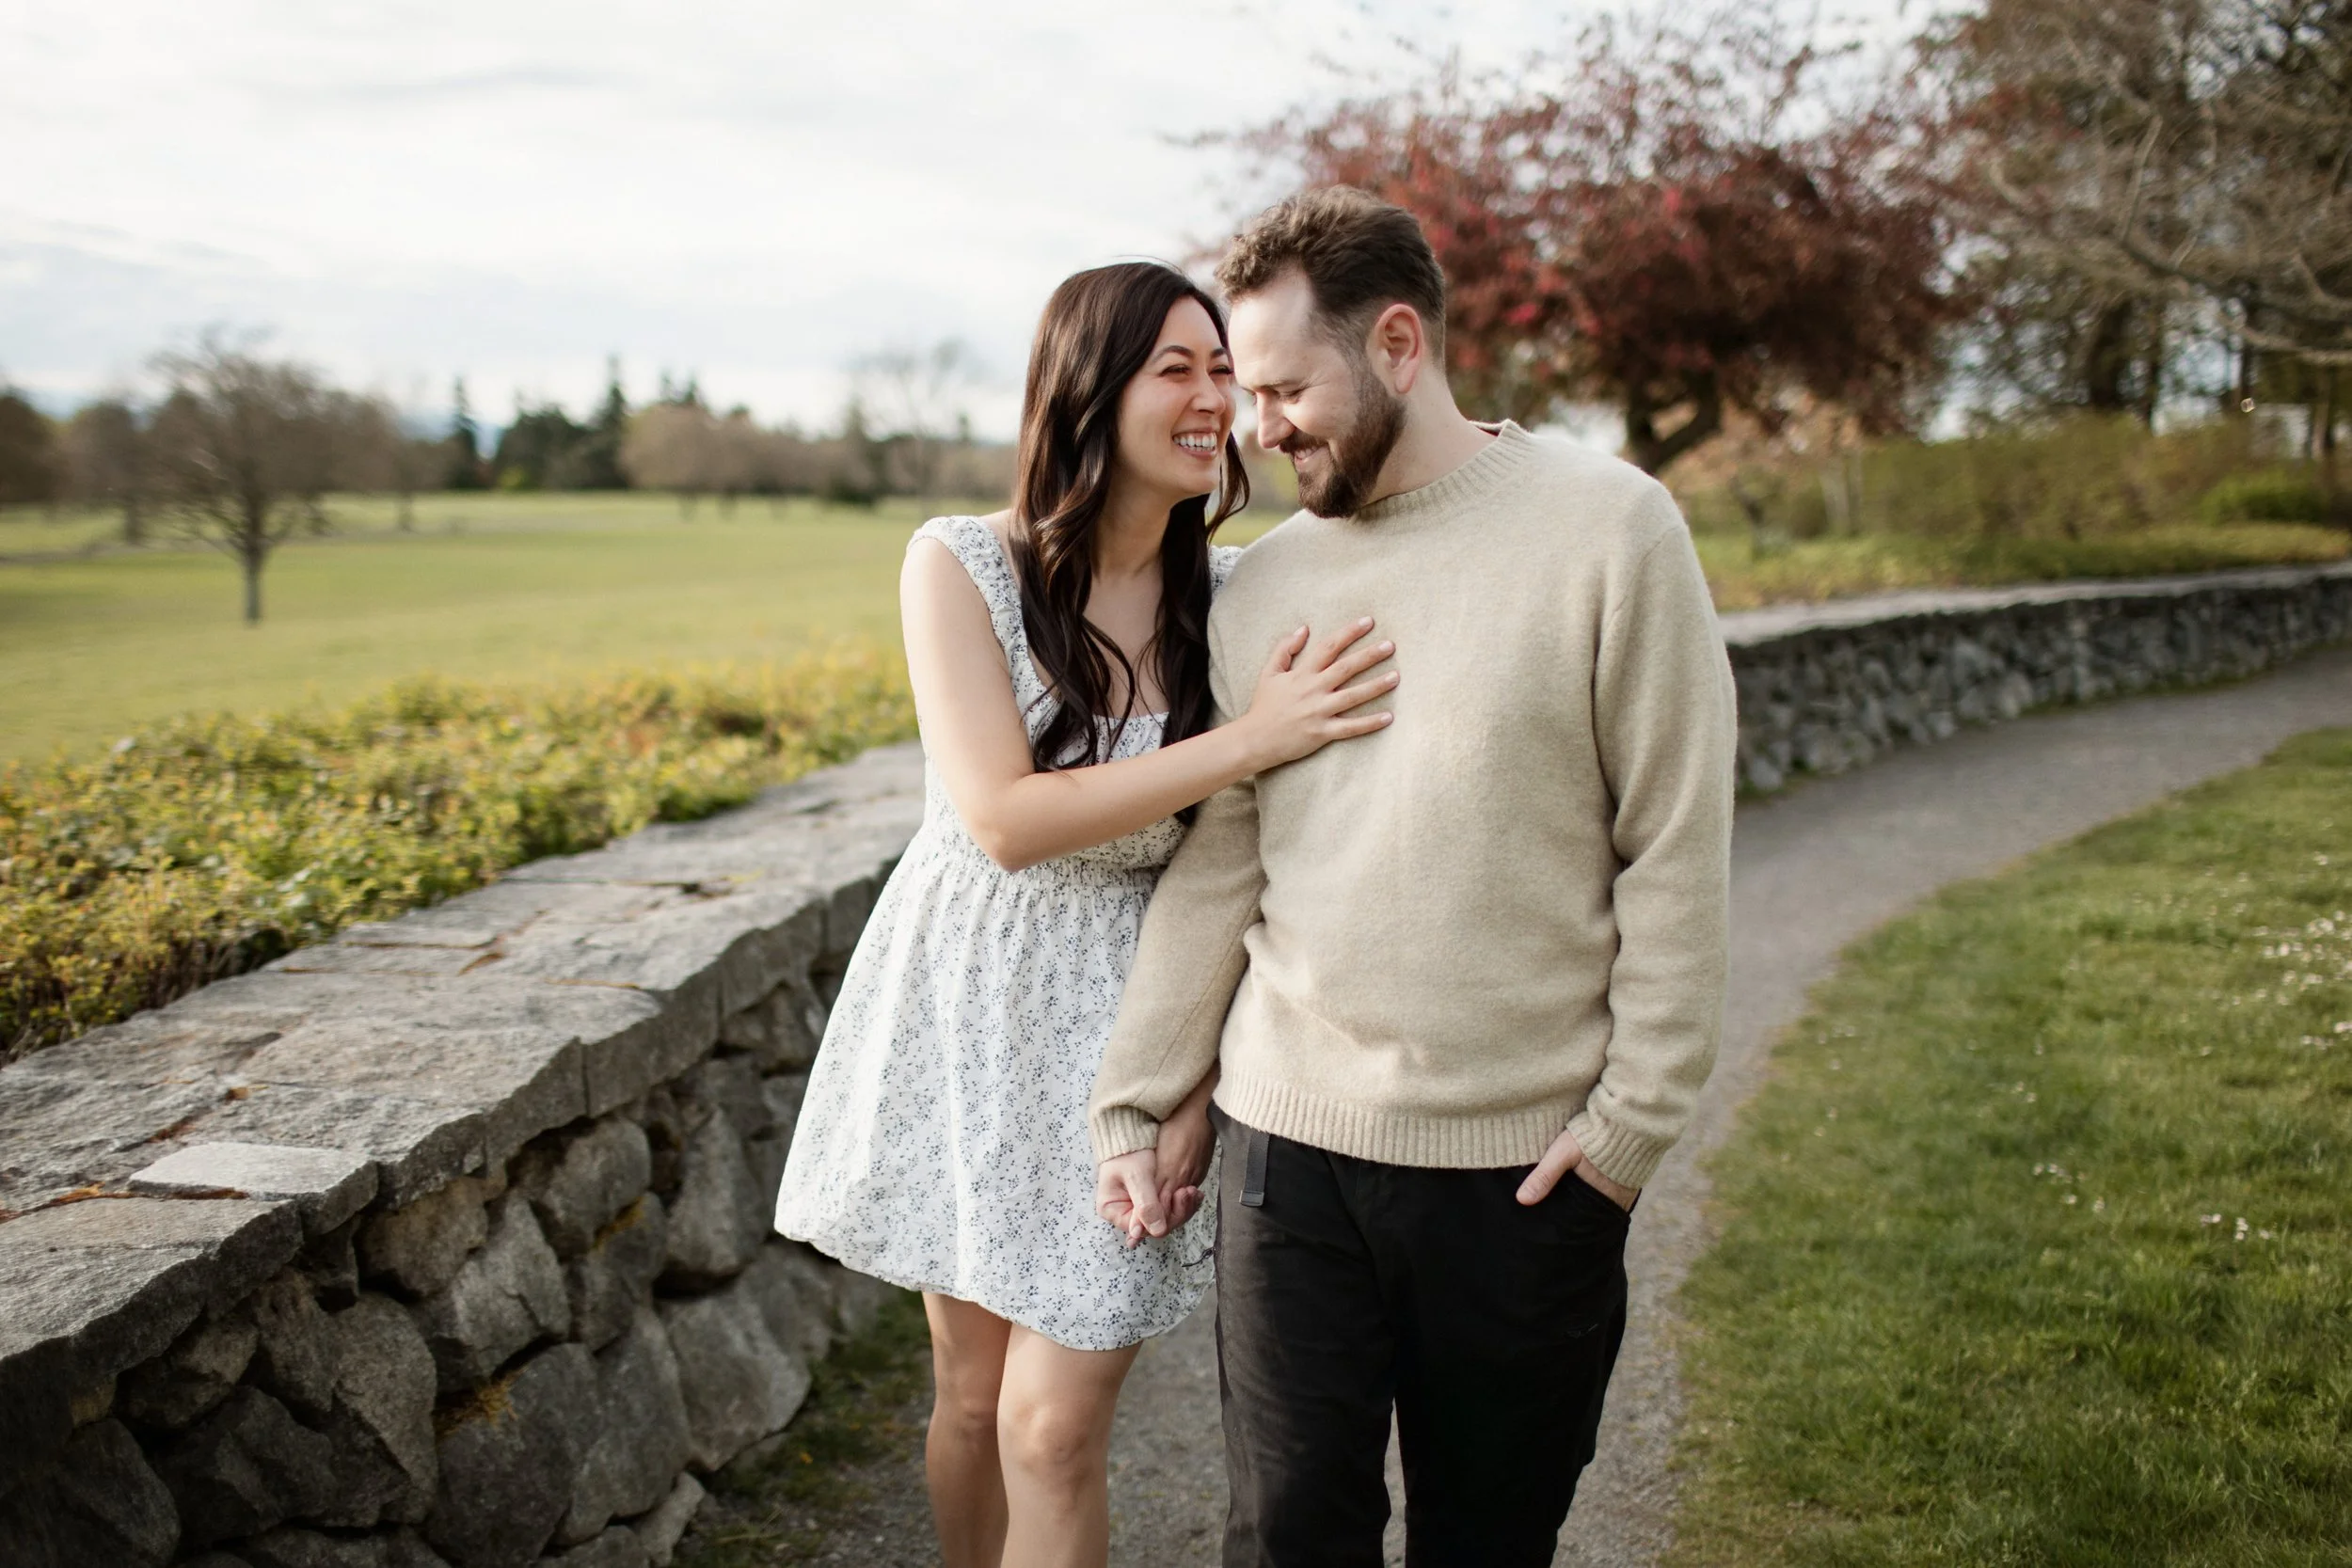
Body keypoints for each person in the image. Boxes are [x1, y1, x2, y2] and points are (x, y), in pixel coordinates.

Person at [1089, 188, 1739, 1566]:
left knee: (1487, 1542)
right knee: (1285, 1537)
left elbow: (1675, 839)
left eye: (1280, 389)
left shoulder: (1611, 531)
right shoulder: (1265, 584)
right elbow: (1227, 854)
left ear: (1396, 343)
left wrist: (1629, 1130)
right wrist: (1140, 1096)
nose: (1253, 431)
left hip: (1523, 1177)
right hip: (1288, 1162)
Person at [774, 259, 1399, 1568]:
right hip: (966, 994)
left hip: (1132, 1010)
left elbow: (1236, 857)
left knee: (1054, 1429)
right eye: (1178, 367)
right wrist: (1248, 742)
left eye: (1222, 369)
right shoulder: (961, 563)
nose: (1213, 396)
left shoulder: (1229, 600)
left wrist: (1184, 1078)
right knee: (970, 1397)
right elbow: (1002, 818)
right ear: (1088, 386)